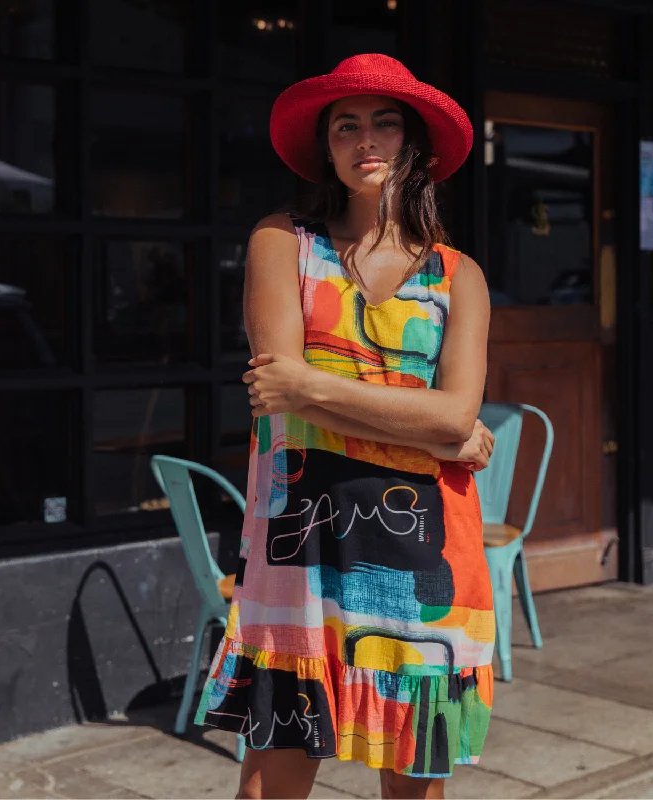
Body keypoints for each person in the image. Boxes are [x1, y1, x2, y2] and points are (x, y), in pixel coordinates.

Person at [195, 54, 496, 800]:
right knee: (271, 783)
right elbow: (276, 389)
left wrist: (315, 386)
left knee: (414, 788)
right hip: (301, 546)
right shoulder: (283, 243)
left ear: (414, 146)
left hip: (426, 557)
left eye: (386, 124)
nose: (367, 140)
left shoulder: (459, 275)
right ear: (326, 148)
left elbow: (450, 410)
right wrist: (435, 432)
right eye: (346, 126)